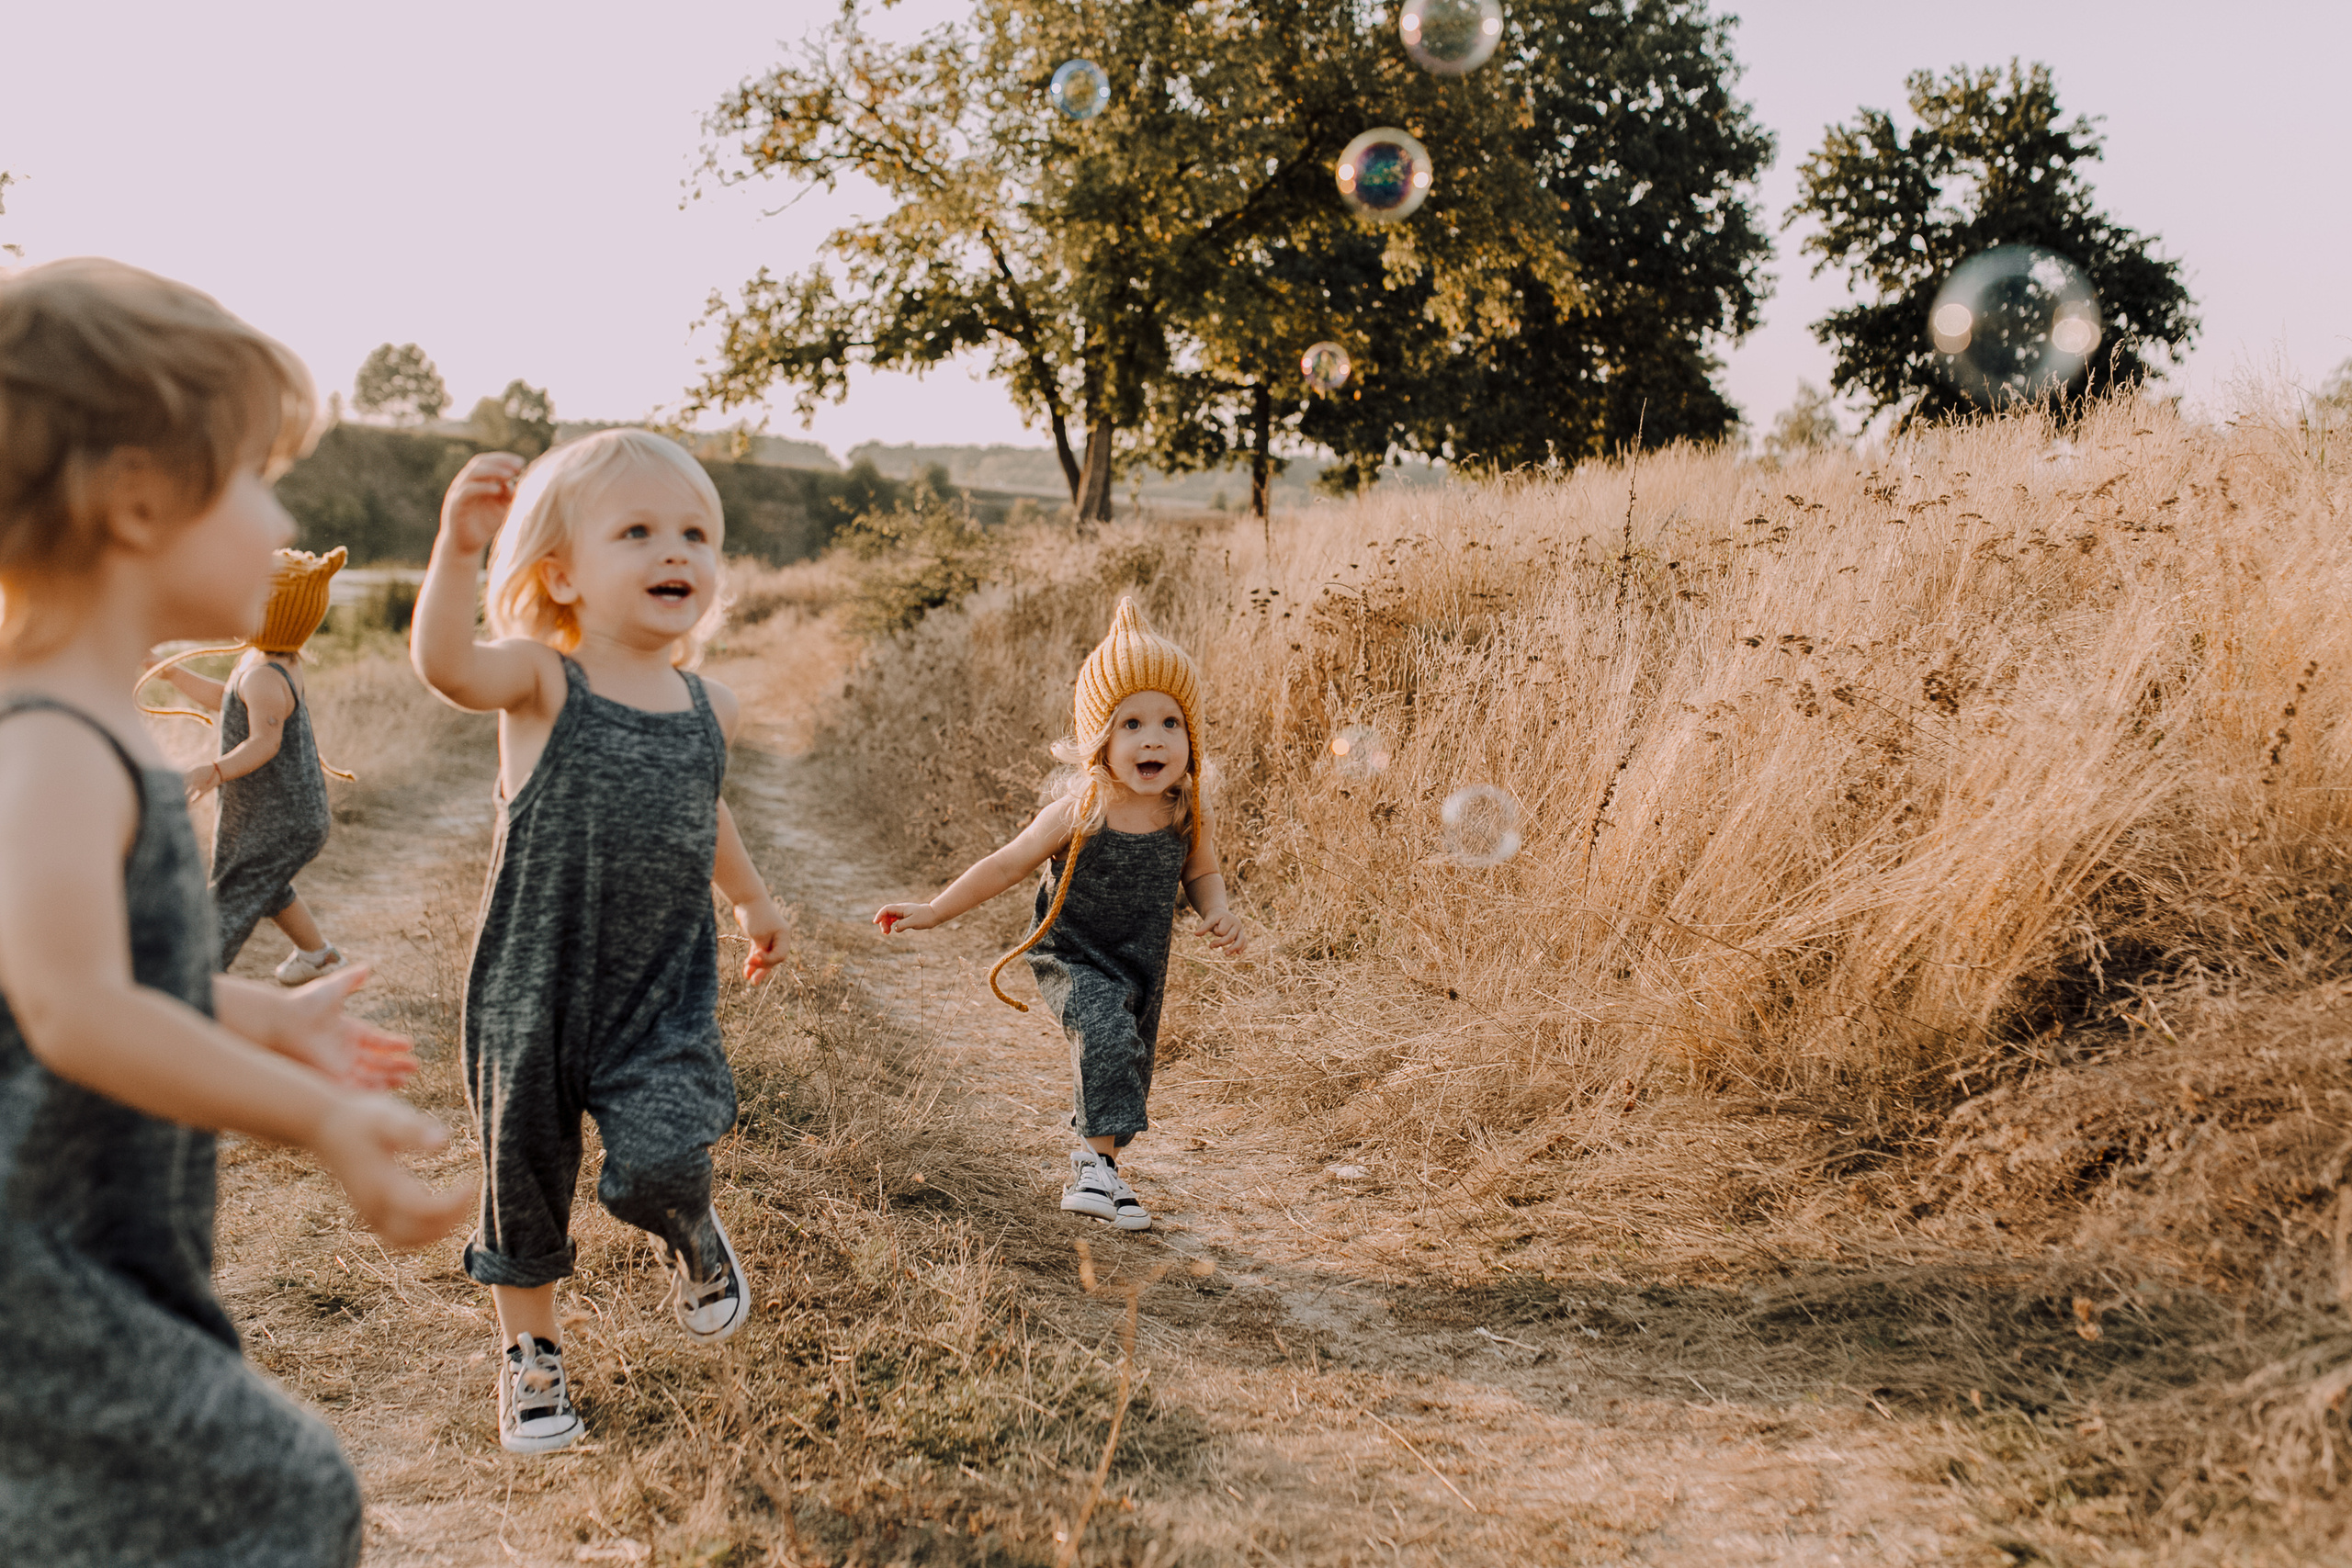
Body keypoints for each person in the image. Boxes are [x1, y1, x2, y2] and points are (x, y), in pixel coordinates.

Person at [0, 257, 474, 1565]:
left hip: (93, 1234)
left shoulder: (85, 727)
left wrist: (261, 1013)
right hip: (34, 1267)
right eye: (257, 480)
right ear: (141, 500)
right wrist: (319, 1114)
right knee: (279, 1488)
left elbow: (99, 974)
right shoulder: (50, 744)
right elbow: (70, 1004)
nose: (280, 523)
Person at [412, 429, 788, 1456]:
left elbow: (705, 811)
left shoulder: (710, 706)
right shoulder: (542, 684)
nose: (676, 553)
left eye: (696, 533)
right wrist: (454, 548)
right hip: (529, 988)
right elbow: (446, 666)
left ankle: (689, 1233)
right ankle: (530, 1359)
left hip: (656, 991)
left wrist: (752, 903)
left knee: (663, 1155)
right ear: (562, 573)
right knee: (521, 1176)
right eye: (638, 531)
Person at [874, 596, 1245, 1233]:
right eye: (1130, 724)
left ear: (1193, 737)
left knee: (1129, 1057)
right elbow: (1007, 863)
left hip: (1140, 957)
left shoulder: (1185, 813)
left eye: (1169, 722)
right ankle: (1088, 1165)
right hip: (1070, 949)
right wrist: (935, 909)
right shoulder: (1083, 809)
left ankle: (1107, 1166)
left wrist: (1219, 910)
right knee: (1102, 1032)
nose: (1152, 737)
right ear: (1099, 740)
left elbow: (1201, 873)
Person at [143, 544, 351, 980]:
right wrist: (172, 672)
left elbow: (263, 744)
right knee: (263, 883)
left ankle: (192, 981)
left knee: (232, 895)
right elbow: (228, 701)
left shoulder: (263, 676)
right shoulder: (263, 663)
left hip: (281, 816)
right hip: (275, 812)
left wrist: (212, 771)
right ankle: (318, 956)